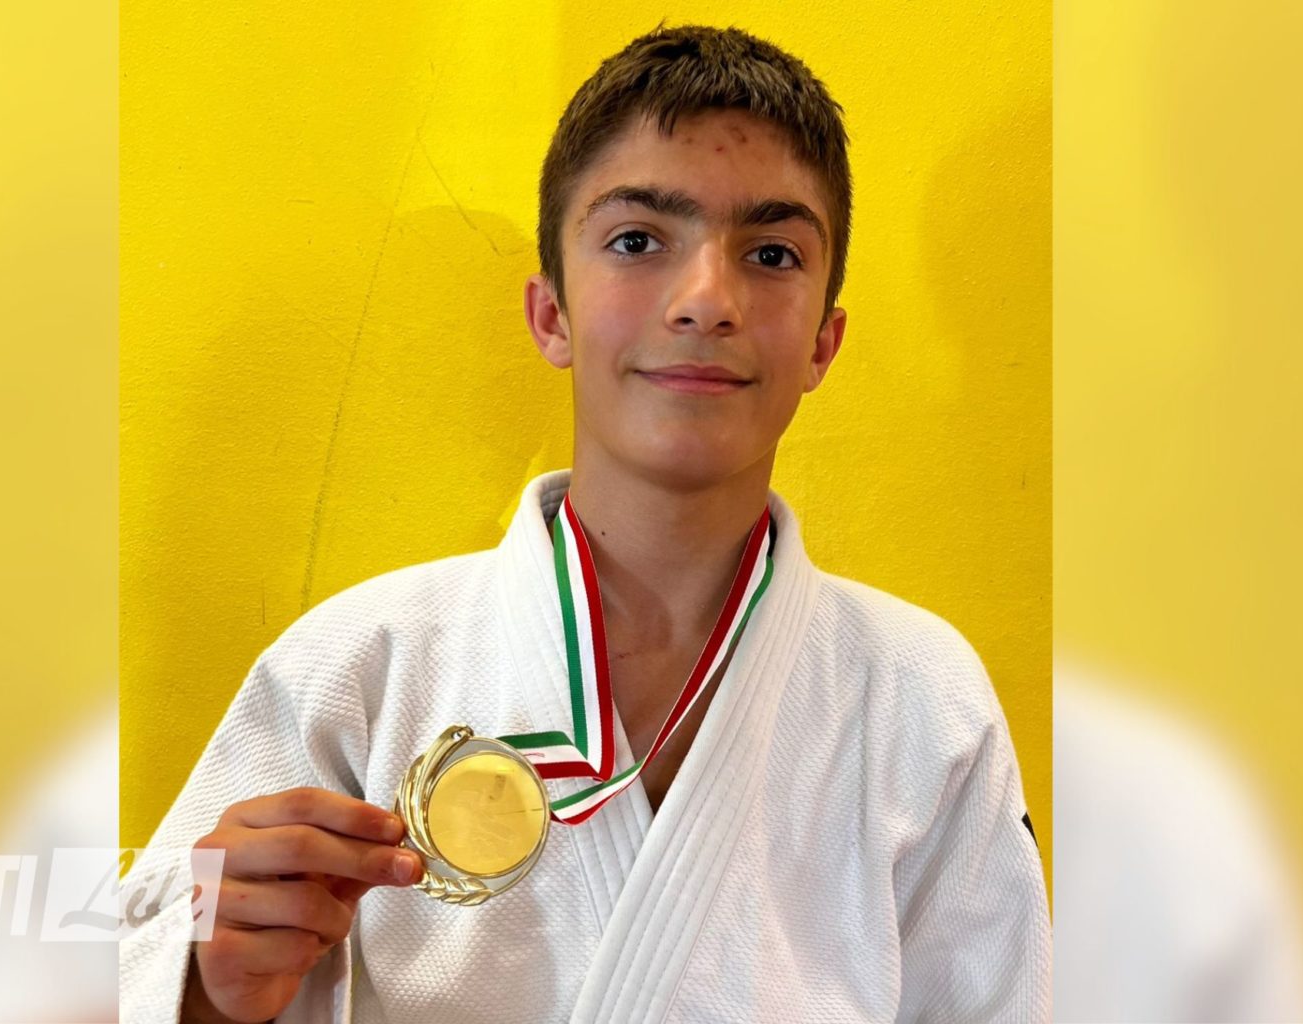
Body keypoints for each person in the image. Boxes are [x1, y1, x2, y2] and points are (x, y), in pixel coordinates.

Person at [121, 24, 1051, 1024]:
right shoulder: (362, 663)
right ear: (550, 314)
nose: (706, 300)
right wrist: (205, 988)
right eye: (638, 241)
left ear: (824, 341)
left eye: (772, 253)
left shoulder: (922, 697)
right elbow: (122, 962)